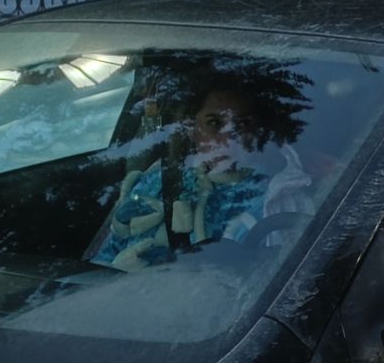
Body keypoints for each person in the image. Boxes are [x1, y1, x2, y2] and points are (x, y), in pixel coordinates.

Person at [93, 85, 314, 270]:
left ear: (258, 133)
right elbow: (103, 258)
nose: (228, 137)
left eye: (242, 124)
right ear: (193, 129)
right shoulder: (155, 182)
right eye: (214, 123)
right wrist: (113, 278)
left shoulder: (275, 202)